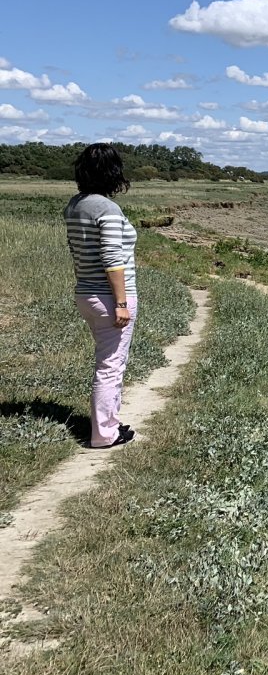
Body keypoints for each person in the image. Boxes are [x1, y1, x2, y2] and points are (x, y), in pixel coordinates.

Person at [65, 143, 138, 449]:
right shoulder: (107, 209)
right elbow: (112, 258)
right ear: (113, 173)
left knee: (107, 360)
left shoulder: (75, 205)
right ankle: (104, 434)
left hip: (87, 293)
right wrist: (121, 302)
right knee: (111, 365)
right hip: (109, 298)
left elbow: (79, 251)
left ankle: (108, 422)